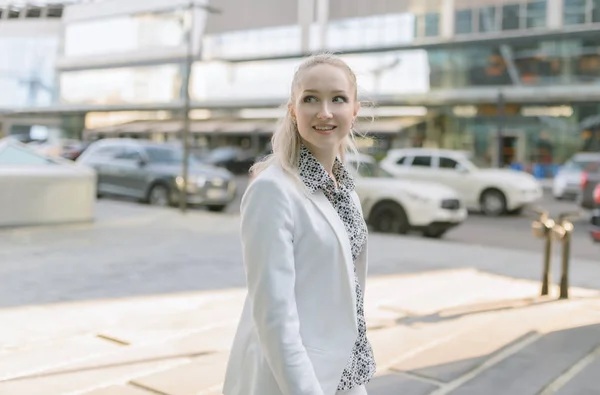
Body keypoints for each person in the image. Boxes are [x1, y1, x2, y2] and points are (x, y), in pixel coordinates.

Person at [222, 53, 376, 395]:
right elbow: (275, 320)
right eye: (310, 99)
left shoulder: (345, 189)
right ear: (293, 109)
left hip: (345, 372)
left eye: (338, 98)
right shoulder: (271, 190)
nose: (324, 112)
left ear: (355, 110)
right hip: (292, 379)